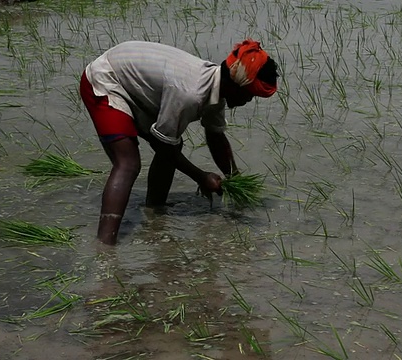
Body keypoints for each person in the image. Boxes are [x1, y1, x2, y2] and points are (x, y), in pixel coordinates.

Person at [79, 39, 278, 245]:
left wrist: (234, 178)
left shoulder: (214, 84)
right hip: (105, 80)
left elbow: (215, 136)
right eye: (250, 94)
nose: (249, 101)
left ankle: (154, 211)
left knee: (174, 145)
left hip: (132, 82)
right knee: (128, 163)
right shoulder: (190, 93)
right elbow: (163, 145)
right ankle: (105, 249)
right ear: (236, 85)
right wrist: (201, 177)